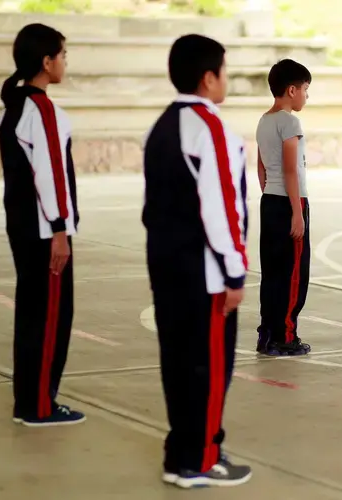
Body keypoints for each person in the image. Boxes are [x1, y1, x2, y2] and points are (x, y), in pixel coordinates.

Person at [142, 34, 252, 487]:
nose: (226, 79)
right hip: (205, 273)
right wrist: (234, 270)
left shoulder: (163, 126)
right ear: (209, 78)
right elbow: (222, 206)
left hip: (166, 268)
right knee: (209, 366)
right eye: (224, 71)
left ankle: (180, 451)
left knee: (178, 363)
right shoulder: (212, 129)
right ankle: (200, 458)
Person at [0, 23, 85, 427]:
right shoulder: (44, 111)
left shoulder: (12, 107)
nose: (66, 61)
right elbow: (51, 176)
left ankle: (27, 399)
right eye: (62, 55)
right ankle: (39, 405)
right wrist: (60, 230)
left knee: (32, 314)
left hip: (22, 228)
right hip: (44, 233)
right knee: (51, 316)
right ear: (46, 62)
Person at [254, 58, 313, 357]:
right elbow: (291, 169)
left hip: (269, 200)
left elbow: (261, 168)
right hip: (291, 200)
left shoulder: (264, 120)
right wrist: (296, 212)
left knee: (272, 271)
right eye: (304, 89)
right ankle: (285, 336)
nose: (306, 95)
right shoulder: (290, 122)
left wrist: (270, 195)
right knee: (294, 274)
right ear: (291, 90)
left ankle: (266, 332)